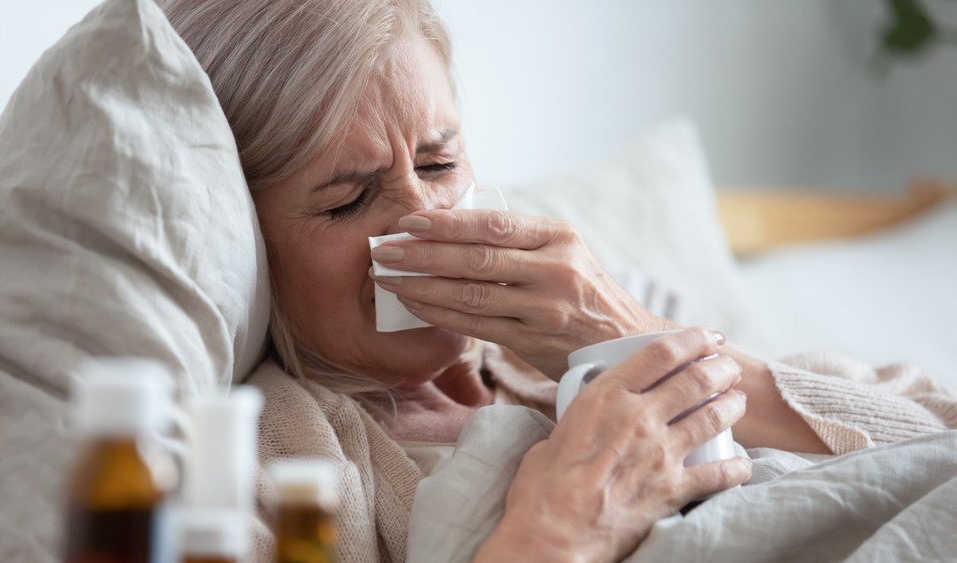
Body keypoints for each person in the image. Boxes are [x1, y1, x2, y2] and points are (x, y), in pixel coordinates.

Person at [160, 0, 954, 560]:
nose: (421, 217)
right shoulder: (281, 453)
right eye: (348, 198)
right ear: (251, 241)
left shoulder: (617, 307)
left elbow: (935, 435)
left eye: (439, 162)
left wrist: (638, 339)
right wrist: (558, 534)